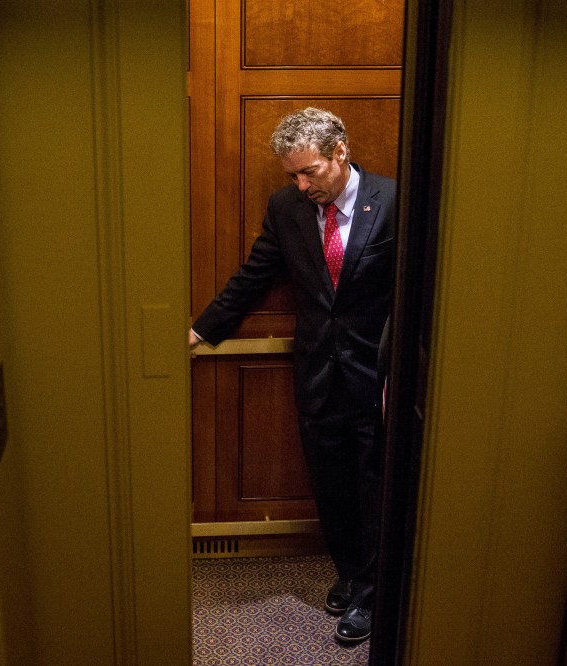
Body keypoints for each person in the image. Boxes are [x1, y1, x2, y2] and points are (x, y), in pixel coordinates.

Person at [189, 107, 395, 643]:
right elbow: (256, 272)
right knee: (330, 482)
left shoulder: (394, 203)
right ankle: (351, 573)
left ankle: (374, 591)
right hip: (317, 373)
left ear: (340, 153)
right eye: (293, 176)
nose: (302, 185)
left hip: (376, 373)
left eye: (311, 172)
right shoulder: (287, 208)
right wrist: (202, 329)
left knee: (375, 484)